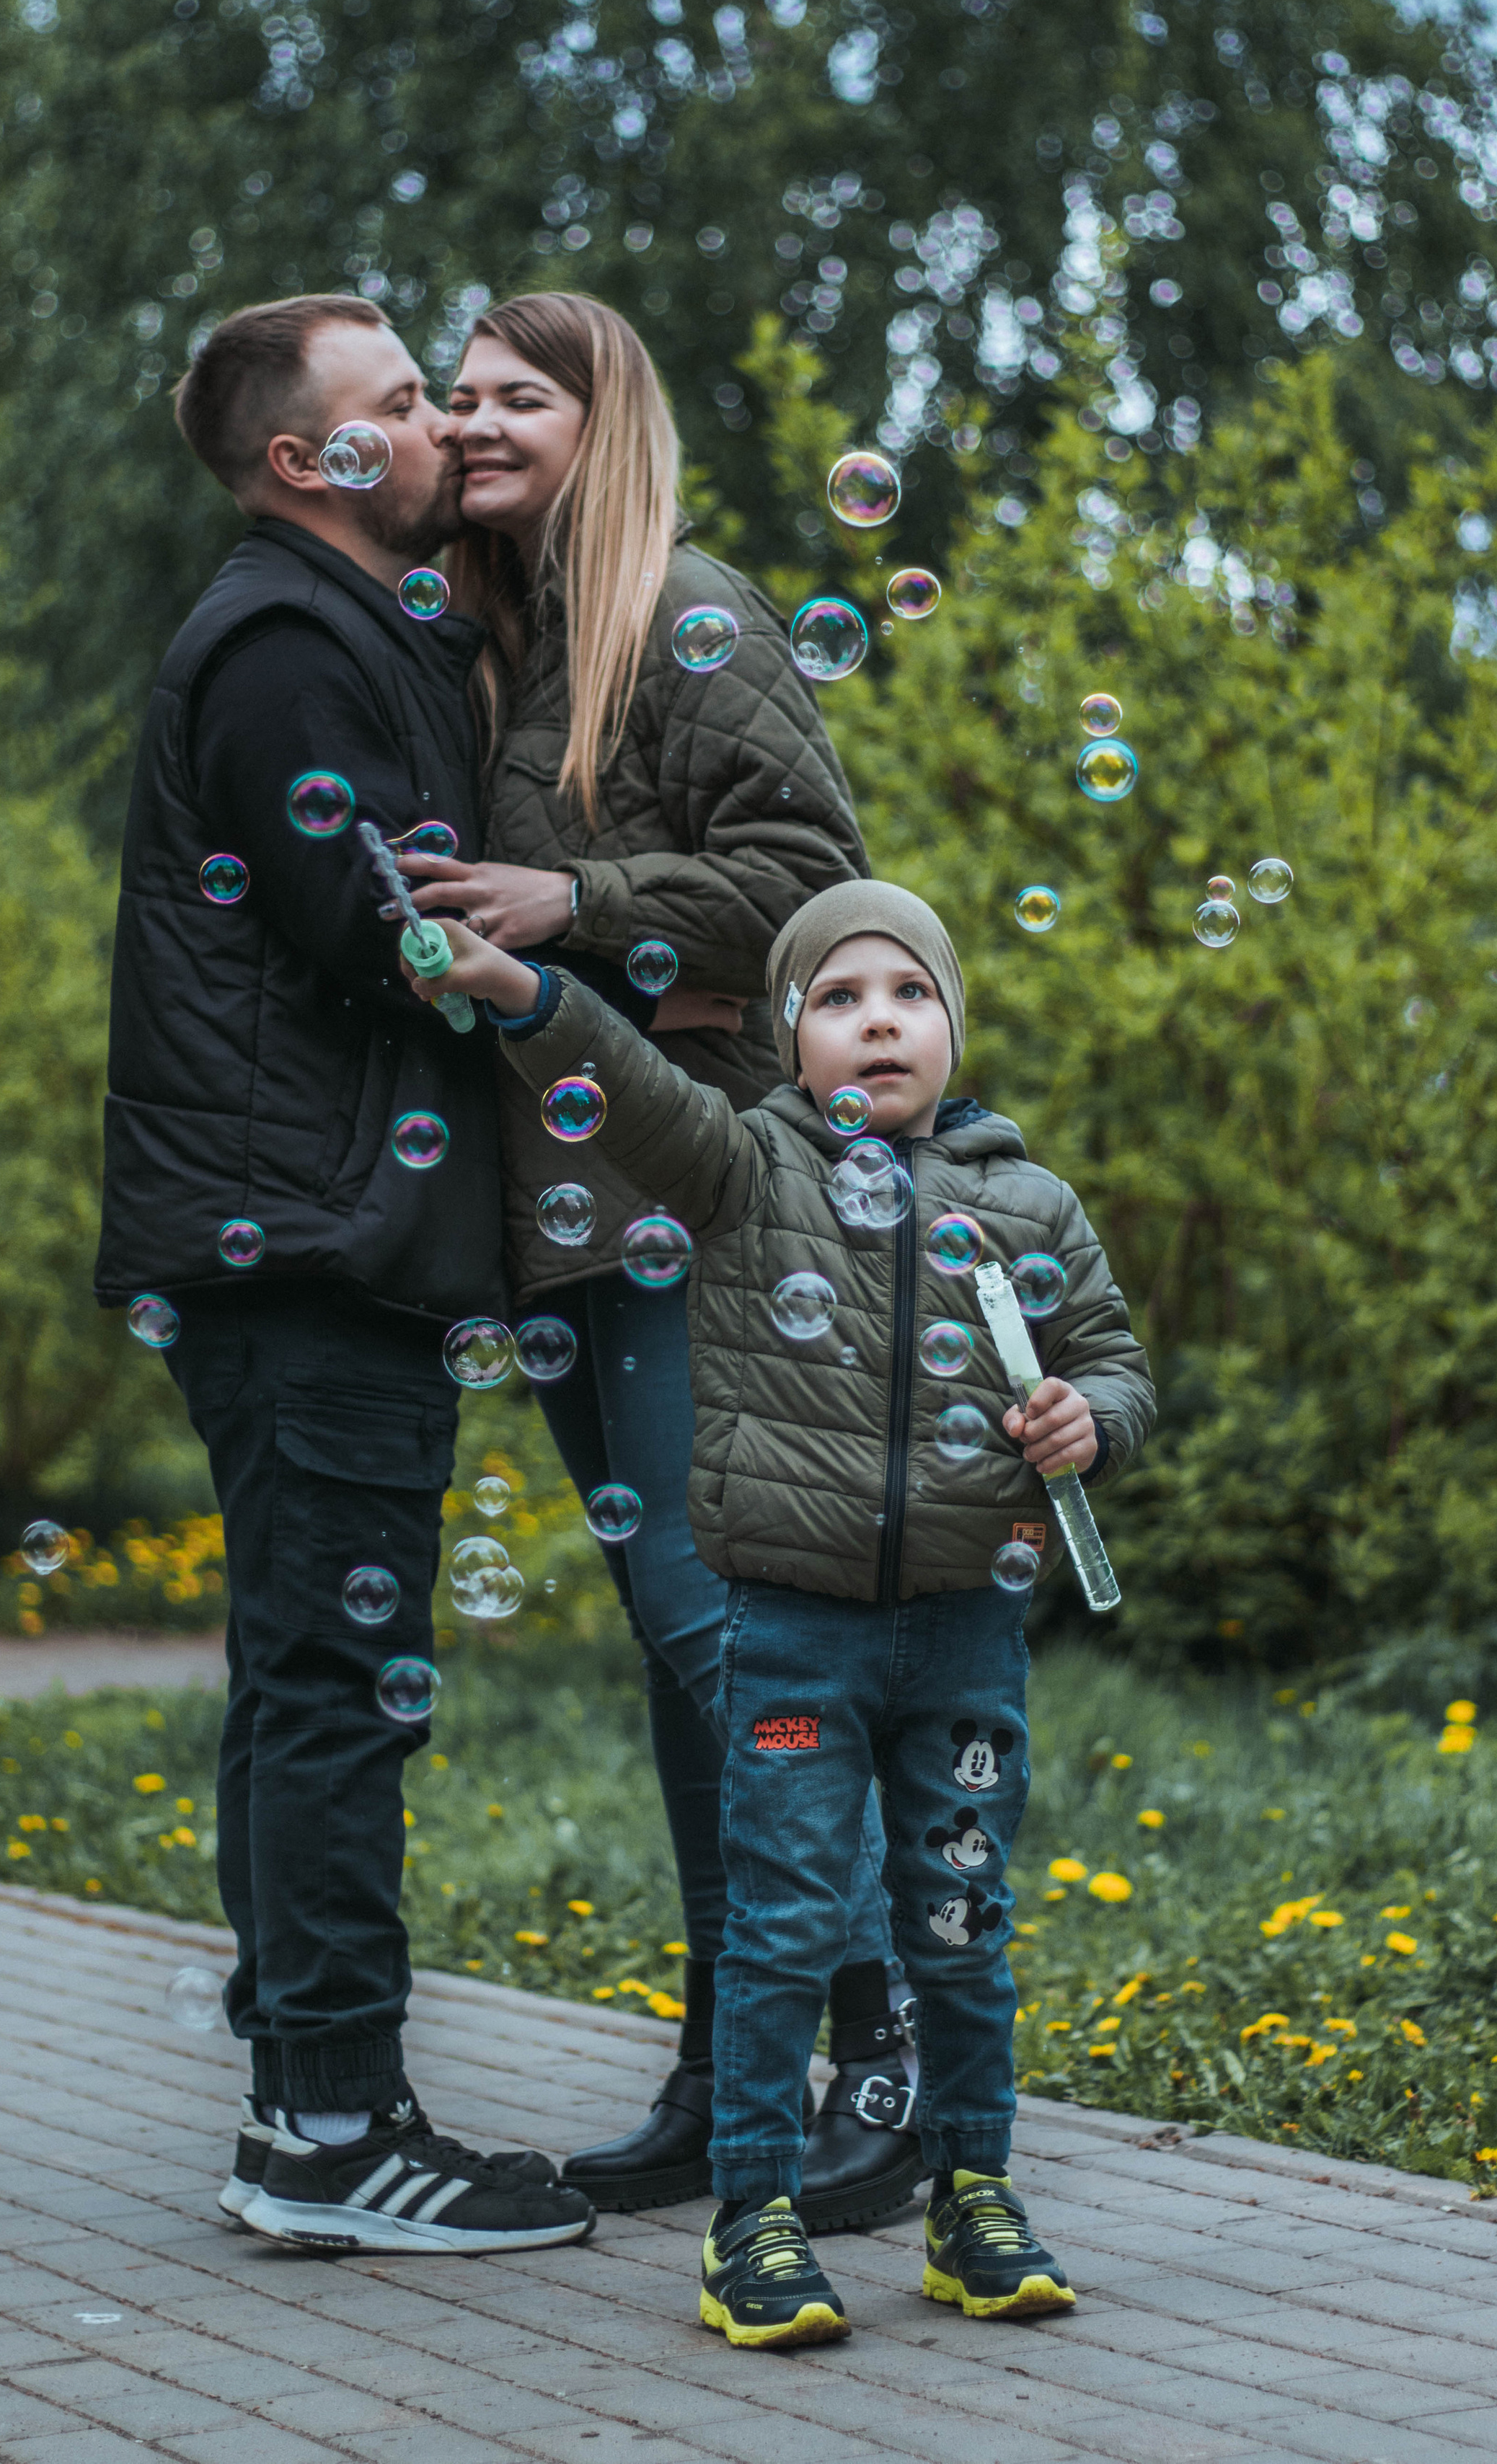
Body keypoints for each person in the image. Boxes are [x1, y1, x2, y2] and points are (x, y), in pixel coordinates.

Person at [405, 877, 1155, 2345]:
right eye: (837, 998)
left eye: (908, 995)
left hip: (962, 1630)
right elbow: (621, 1087)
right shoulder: (746, 1168)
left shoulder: (1027, 1203)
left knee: (955, 1919)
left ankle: (972, 2196)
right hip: (793, 1625)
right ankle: (749, 2220)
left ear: (951, 1023)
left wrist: (1092, 1419)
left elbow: (1113, 1360)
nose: (878, 1021)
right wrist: (516, 989)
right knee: (785, 1926)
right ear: (787, 1040)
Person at [401, 292, 920, 2229]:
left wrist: (579, 895)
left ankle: (885, 2049)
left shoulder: (679, 609)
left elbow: (819, 886)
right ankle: (728, 2065)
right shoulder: (496, 638)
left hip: (685, 1182)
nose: (471, 420)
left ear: (602, 420)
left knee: (726, 1637)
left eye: (515, 394)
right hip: (554, 1202)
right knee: (674, 1653)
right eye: (456, 394)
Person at [93, 293, 595, 2256]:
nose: (447, 425)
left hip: (294, 1238)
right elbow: (370, 927)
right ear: (307, 461)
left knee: (307, 1673)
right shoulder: (288, 641)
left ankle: (310, 2083)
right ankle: (323, 2132)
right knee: (335, 1686)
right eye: (402, 404)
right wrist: (581, 962)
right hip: (305, 1244)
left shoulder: (347, 627)